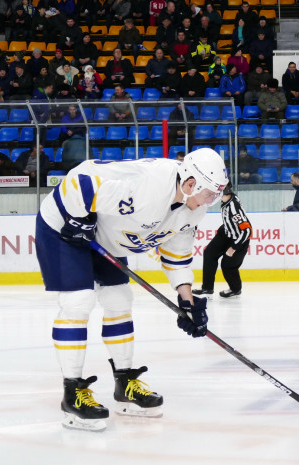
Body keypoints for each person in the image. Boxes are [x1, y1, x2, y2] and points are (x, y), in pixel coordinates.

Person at [33, 148, 227, 432]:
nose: (213, 200)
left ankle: (124, 383)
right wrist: (78, 218)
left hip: (103, 235)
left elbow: (176, 254)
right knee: (78, 302)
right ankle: (71, 392)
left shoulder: (194, 208)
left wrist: (187, 301)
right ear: (189, 185)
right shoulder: (145, 186)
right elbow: (79, 182)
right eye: (210, 194)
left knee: (119, 299)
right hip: (63, 227)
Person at [193, 182, 252, 298]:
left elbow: (246, 231)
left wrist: (234, 247)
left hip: (239, 239)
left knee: (227, 265)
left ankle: (235, 289)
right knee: (209, 253)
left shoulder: (234, 207)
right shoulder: (225, 199)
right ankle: (207, 288)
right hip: (226, 232)